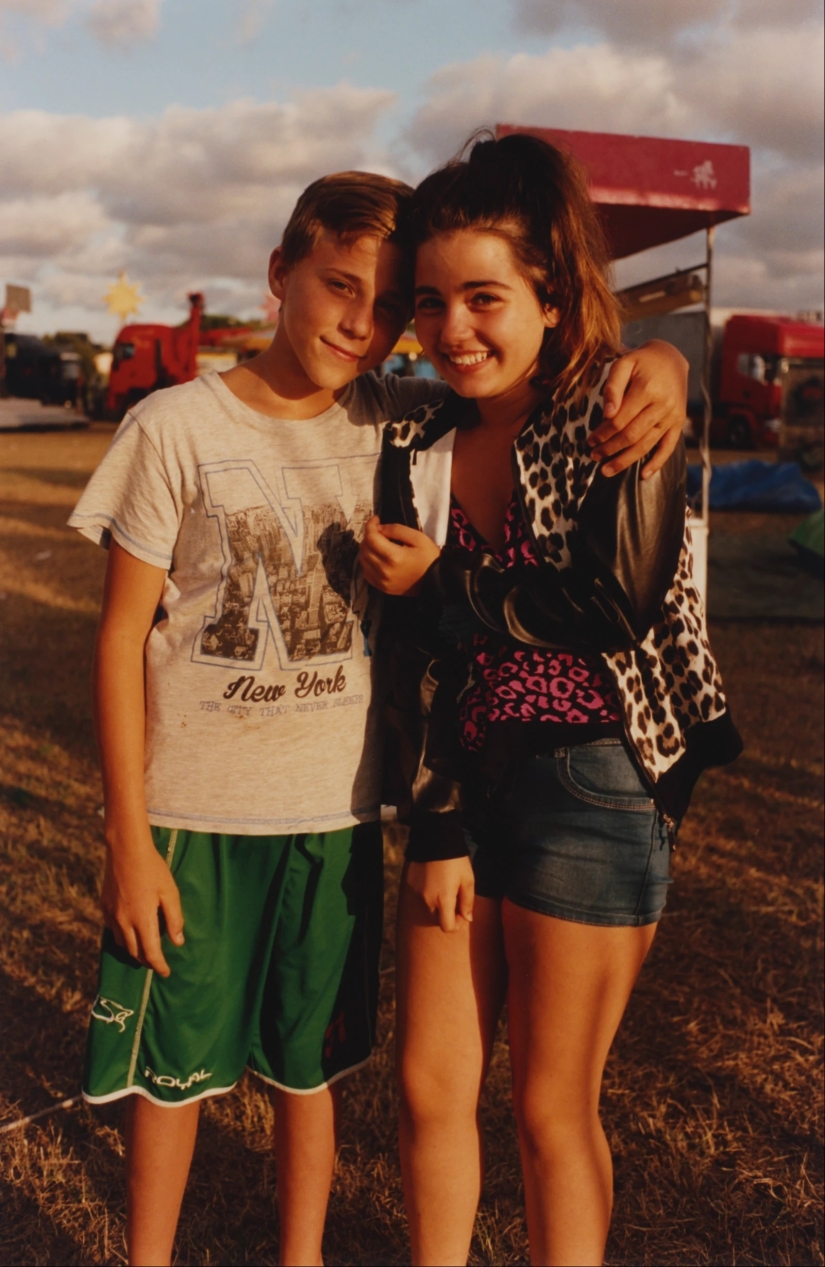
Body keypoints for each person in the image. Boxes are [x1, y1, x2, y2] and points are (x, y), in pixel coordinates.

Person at [69, 164, 690, 1267]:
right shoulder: (292, 427)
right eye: (405, 298)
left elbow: (605, 575)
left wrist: (665, 358)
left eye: (409, 299)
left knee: (467, 1094)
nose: (397, 324)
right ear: (280, 276)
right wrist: (129, 835)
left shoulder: (503, 420)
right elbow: (135, 636)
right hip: (323, 803)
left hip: (473, 797)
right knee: (357, 1084)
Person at [360, 133, 742, 1267]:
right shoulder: (417, 436)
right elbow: (419, 653)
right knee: (429, 1089)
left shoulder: (618, 409)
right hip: (464, 779)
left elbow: (612, 607)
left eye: (485, 297)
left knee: (548, 1110)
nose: (452, 331)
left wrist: (668, 363)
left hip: (599, 779)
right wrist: (435, 816)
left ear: (553, 295)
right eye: (430, 304)